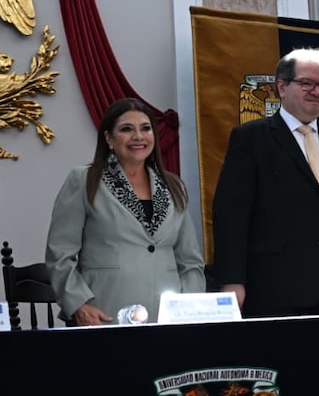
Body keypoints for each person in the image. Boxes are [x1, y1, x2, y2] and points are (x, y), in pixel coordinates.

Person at [212, 47, 319, 317]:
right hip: (275, 287)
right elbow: (231, 215)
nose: (317, 91)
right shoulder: (251, 138)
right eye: (306, 83)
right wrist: (232, 281)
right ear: (282, 87)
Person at [45, 98, 205, 325]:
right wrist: (79, 304)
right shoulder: (84, 180)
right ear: (109, 138)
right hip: (104, 315)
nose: (138, 136)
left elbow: (191, 262)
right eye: (127, 129)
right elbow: (59, 254)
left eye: (146, 128)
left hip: (167, 321)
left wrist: (189, 307)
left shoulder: (172, 186)